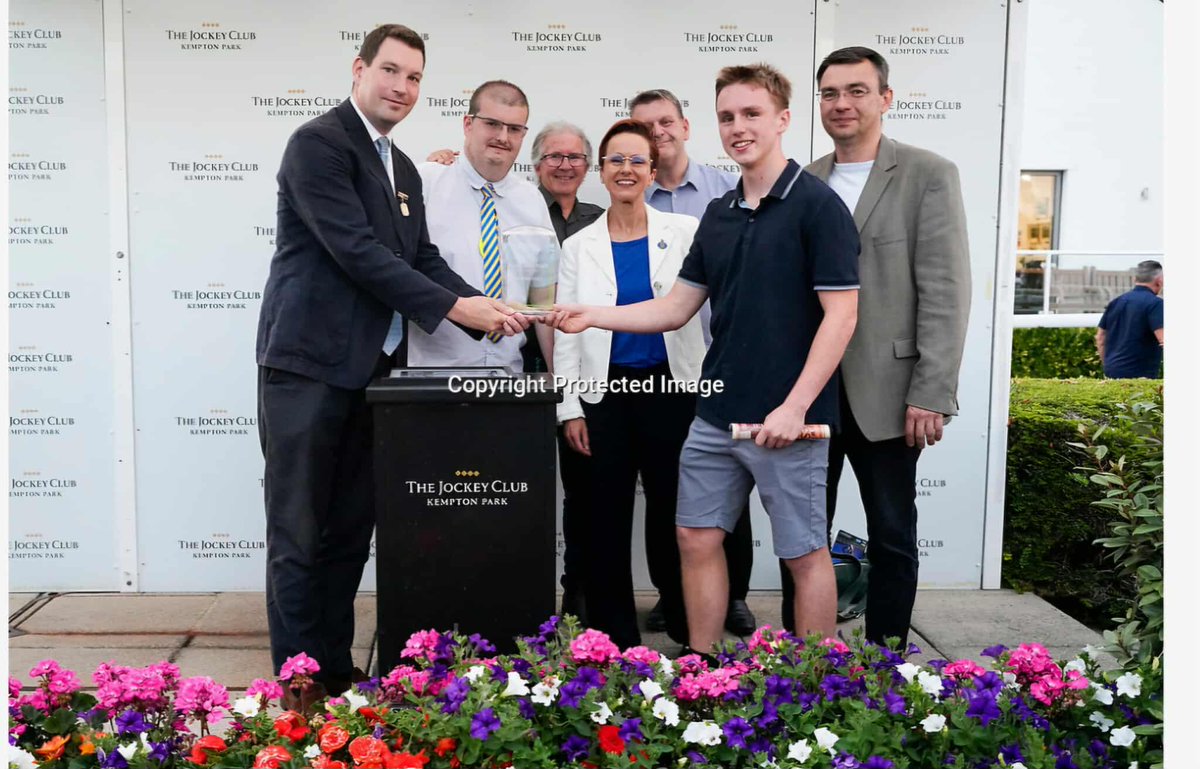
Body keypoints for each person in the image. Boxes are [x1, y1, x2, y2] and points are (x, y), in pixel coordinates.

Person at [256, 24, 530, 706]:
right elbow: (357, 253)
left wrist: (481, 300)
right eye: (391, 71)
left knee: (350, 527)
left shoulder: (403, 167)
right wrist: (457, 310)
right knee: (298, 528)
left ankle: (334, 663)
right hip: (309, 366)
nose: (402, 88)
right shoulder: (318, 145)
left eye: (413, 78)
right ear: (359, 69)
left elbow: (418, 260)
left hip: (374, 376)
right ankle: (297, 684)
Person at [550, 64, 860, 652]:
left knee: (804, 552)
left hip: (791, 420)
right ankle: (702, 665)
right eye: (727, 116)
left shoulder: (818, 206)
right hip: (716, 415)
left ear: (783, 120)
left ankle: (822, 686)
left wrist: (795, 407)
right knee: (694, 537)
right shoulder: (717, 215)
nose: (737, 127)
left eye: (751, 114)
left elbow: (842, 316)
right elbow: (673, 308)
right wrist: (594, 315)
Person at [781, 46, 971, 648]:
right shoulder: (802, 182)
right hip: (809, 394)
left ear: (885, 98)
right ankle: (805, 663)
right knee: (803, 534)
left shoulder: (928, 174)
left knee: (892, 532)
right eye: (831, 93)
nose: (842, 103)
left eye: (857, 91)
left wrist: (933, 391)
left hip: (890, 395)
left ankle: (888, 658)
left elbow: (945, 290)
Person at [554, 119, 704, 648]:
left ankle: (690, 629)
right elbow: (568, 334)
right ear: (601, 171)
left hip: (671, 392)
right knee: (605, 517)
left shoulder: (684, 232)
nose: (626, 169)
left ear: (653, 170)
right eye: (616, 160)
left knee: (676, 511)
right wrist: (569, 408)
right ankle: (612, 635)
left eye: (637, 160)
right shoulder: (578, 246)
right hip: (604, 398)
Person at [628, 89, 757, 637]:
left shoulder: (731, 190)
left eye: (664, 122)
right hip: (663, 366)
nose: (657, 133)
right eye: (643, 126)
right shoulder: (634, 195)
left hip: (722, 362)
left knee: (734, 485)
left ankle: (737, 597)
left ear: (684, 125)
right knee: (667, 489)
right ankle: (670, 592)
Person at [408, 81, 557, 370]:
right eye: (492, 124)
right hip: (430, 377)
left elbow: (541, 300)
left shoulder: (532, 201)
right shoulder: (423, 184)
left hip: (508, 376)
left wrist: (562, 395)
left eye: (514, 129)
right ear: (468, 124)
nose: (503, 137)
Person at [529, 122, 604, 621]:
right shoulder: (516, 208)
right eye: (553, 156)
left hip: (582, 377)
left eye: (575, 157)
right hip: (522, 374)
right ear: (535, 164)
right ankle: (520, 593)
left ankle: (578, 594)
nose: (564, 165)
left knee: (584, 495)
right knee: (519, 489)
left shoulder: (602, 220)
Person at [1096, 260, 1164, 378]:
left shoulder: (1115, 302)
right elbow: (1163, 338)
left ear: (1135, 280)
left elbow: (1100, 337)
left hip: (1112, 372)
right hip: (1141, 376)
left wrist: (1108, 366)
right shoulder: (1156, 304)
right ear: (1159, 281)